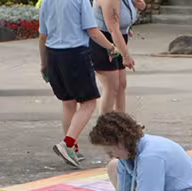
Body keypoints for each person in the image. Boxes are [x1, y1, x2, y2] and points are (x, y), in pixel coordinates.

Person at [39, 0, 133, 168]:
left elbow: (42, 34)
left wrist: (43, 63)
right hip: (75, 54)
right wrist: (112, 48)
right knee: (88, 102)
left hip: (53, 54)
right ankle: (67, 144)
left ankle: (72, 147)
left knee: (68, 103)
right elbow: (93, 31)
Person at [91, 0, 146, 114]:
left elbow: (142, 5)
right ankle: (106, 125)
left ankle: (121, 121)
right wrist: (126, 56)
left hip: (120, 38)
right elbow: (113, 29)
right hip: (104, 41)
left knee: (121, 84)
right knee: (111, 86)